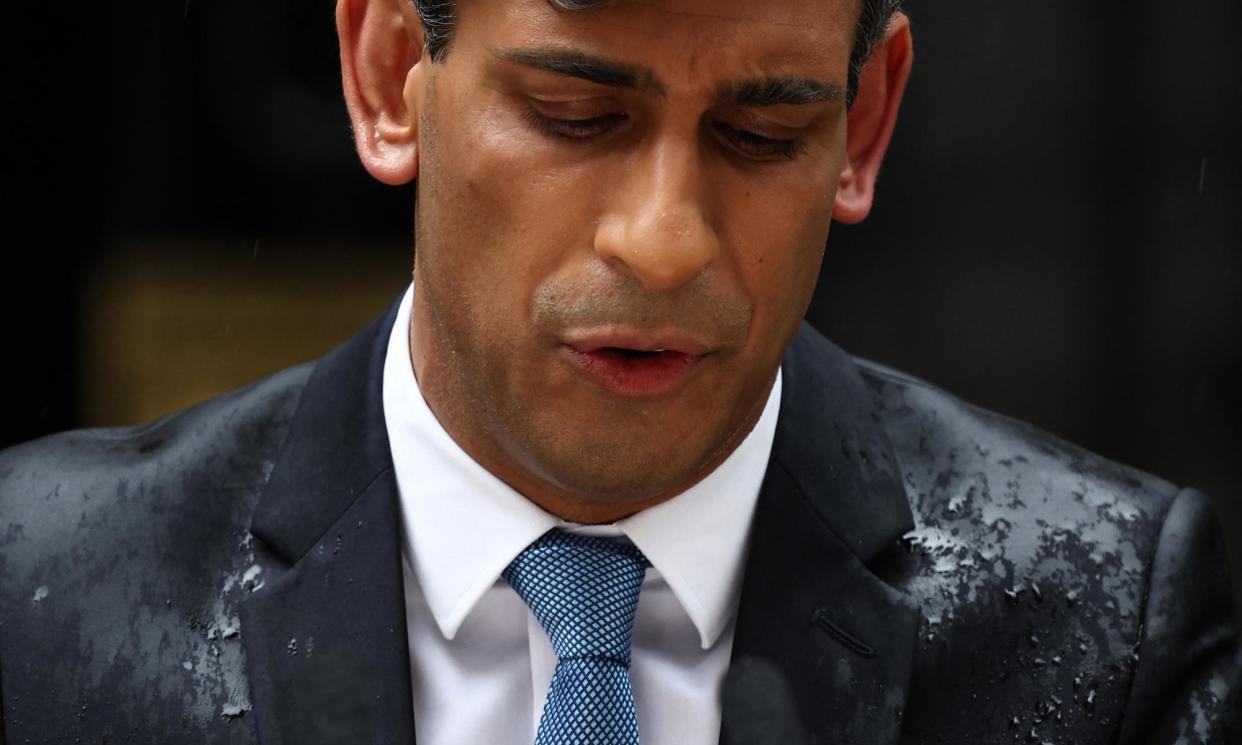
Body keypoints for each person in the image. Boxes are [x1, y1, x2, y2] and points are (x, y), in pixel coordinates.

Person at [1, 0, 1238, 743]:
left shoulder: (1104, 632)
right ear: (387, 75)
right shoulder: (41, 599)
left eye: (764, 134)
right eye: (574, 116)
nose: (663, 238)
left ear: (864, 125)